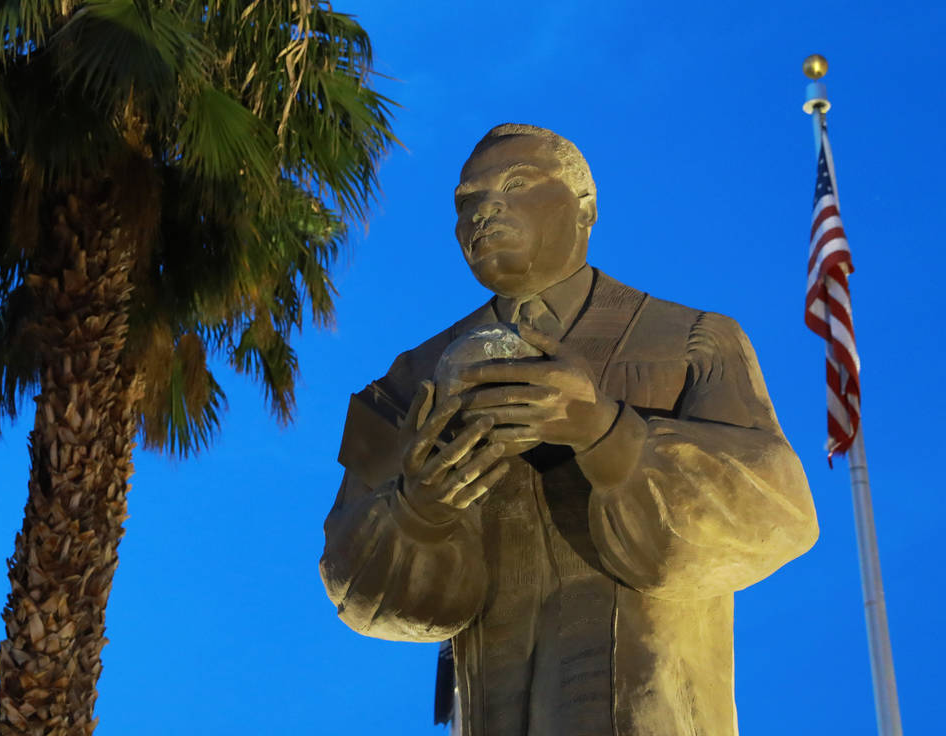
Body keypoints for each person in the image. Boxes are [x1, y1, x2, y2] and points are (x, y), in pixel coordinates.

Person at [319, 124, 819, 736]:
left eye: (517, 184)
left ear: (586, 207)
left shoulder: (693, 339)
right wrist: (417, 514)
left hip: (654, 706)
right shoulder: (404, 382)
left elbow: (780, 510)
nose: (485, 210)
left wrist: (607, 434)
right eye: (466, 201)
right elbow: (350, 585)